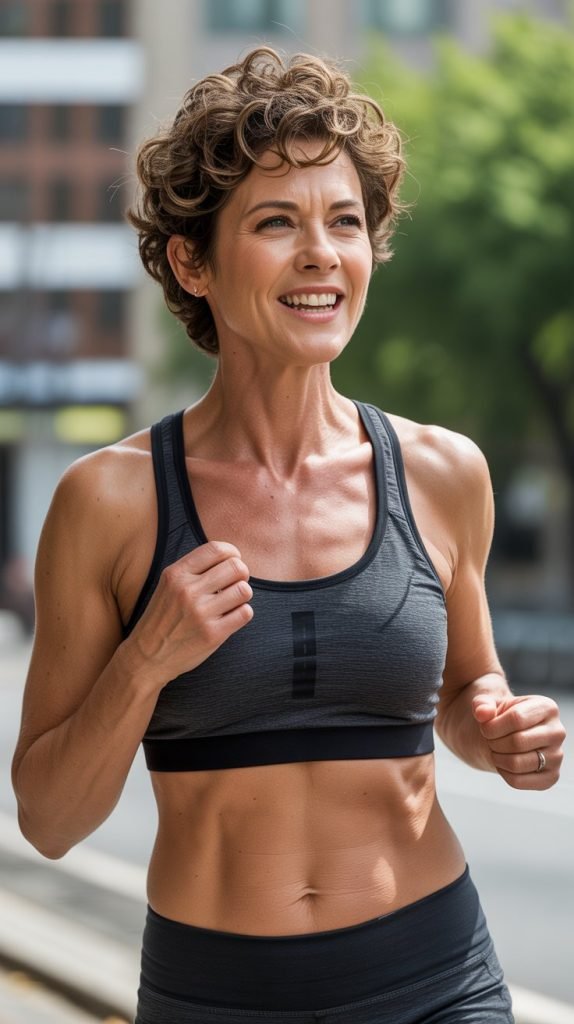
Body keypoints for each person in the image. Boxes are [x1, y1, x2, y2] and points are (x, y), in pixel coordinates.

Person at [12, 46, 566, 1024]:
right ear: (192, 262)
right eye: (276, 222)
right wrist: (146, 659)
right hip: (215, 997)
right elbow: (51, 821)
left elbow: (463, 693)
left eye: (344, 221)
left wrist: (496, 730)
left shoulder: (443, 473)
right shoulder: (111, 501)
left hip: (435, 982)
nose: (321, 254)